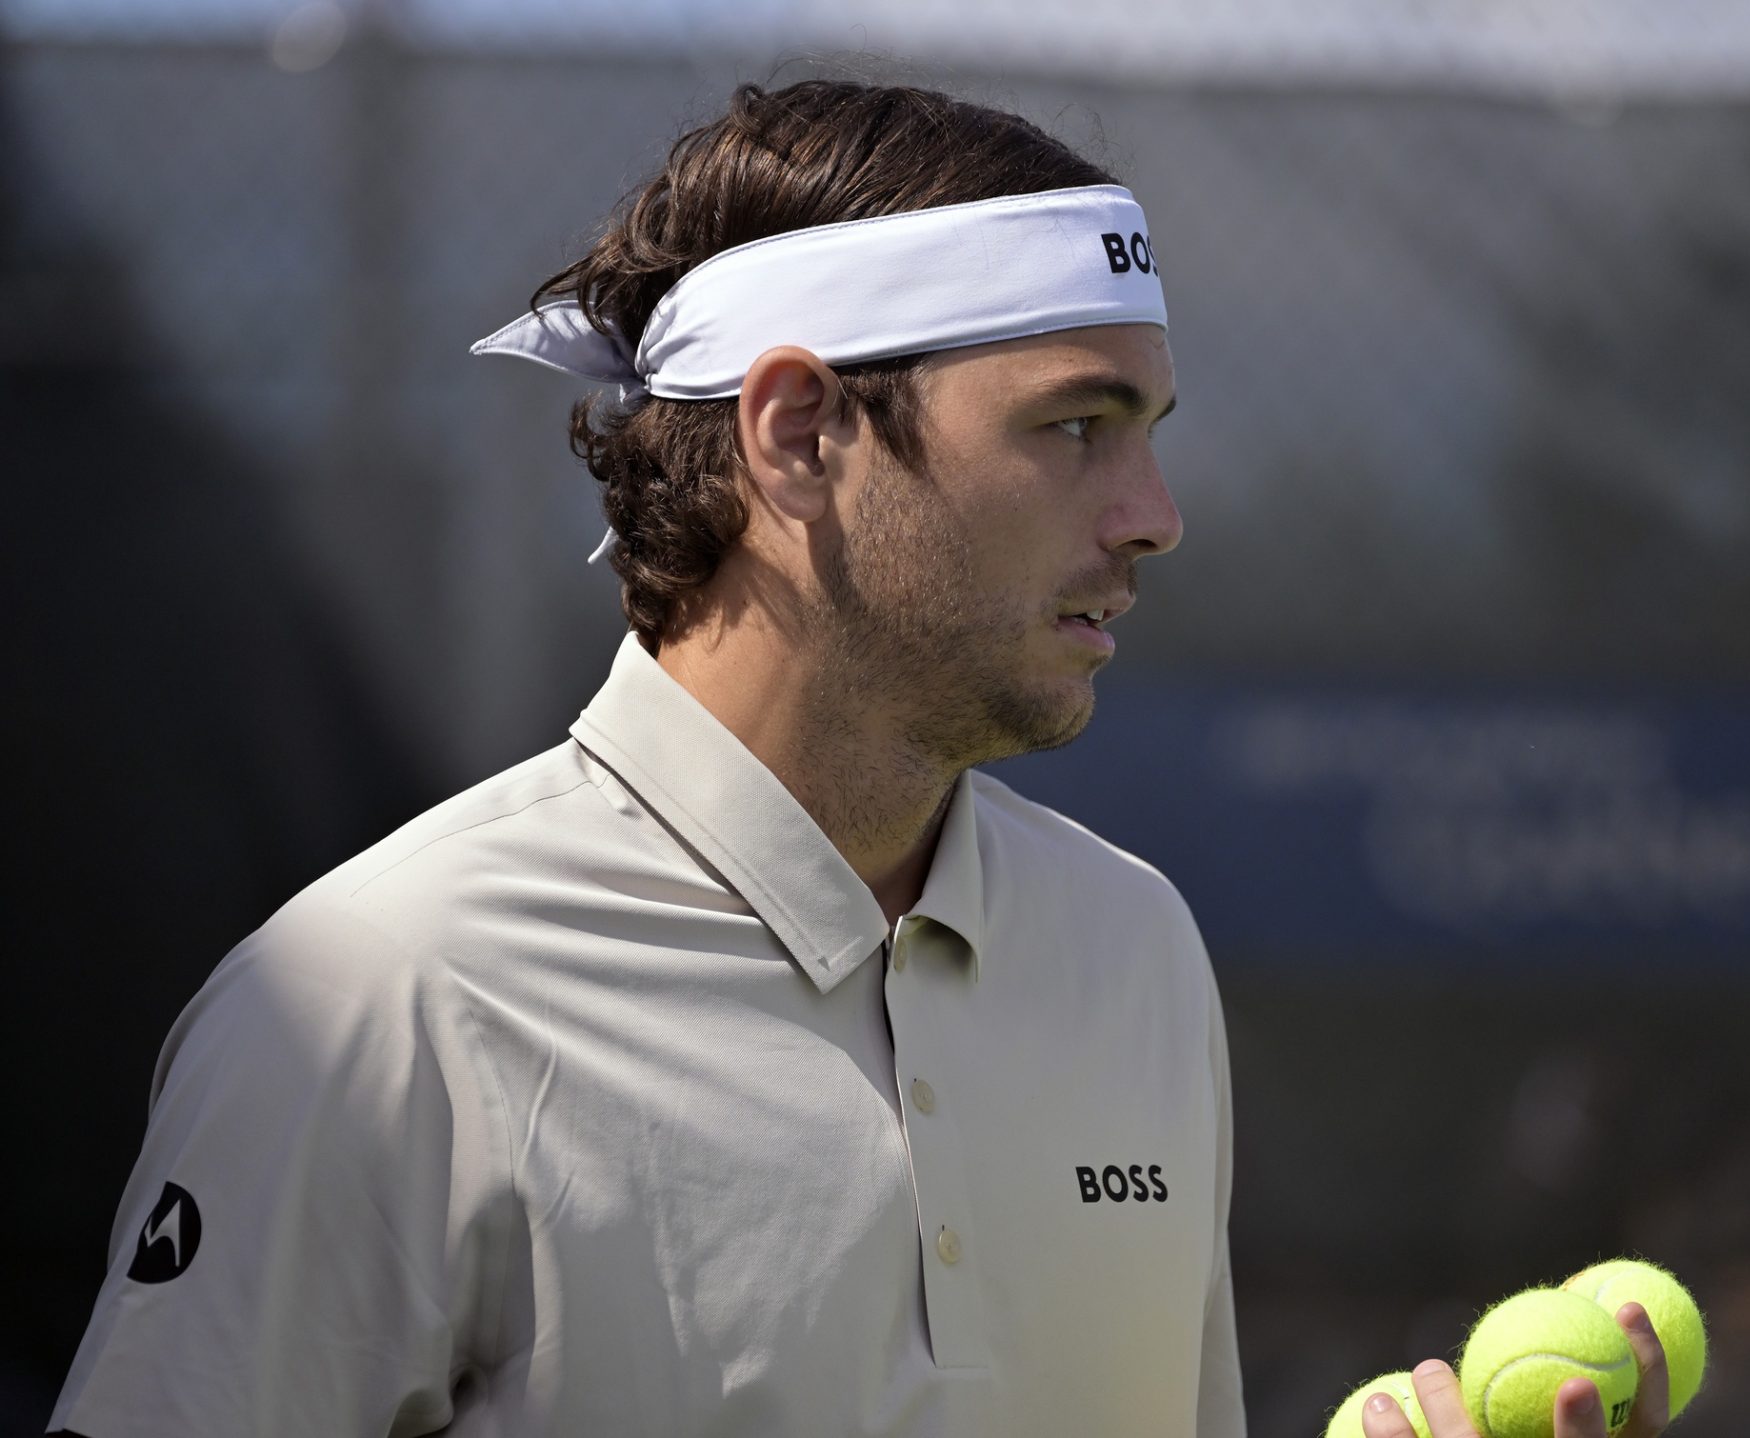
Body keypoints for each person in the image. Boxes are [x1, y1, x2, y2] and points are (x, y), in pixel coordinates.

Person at [48, 78, 1238, 1437]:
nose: (1155, 516)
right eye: (1075, 425)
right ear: (799, 434)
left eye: (1150, 432)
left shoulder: (1138, 948)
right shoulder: (376, 1000)